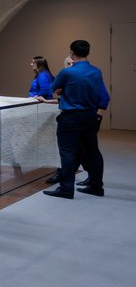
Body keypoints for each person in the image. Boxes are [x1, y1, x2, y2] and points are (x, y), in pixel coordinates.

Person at [37, 39, 108, 199]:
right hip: (90, 116)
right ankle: (96, 186)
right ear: (88, 52)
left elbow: (53, 88)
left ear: (71, 52)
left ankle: (66, 189)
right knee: (93, 151)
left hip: (71, 117)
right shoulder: (96, 71)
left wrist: (64, 88)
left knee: (68, 153)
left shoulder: (67, 72)